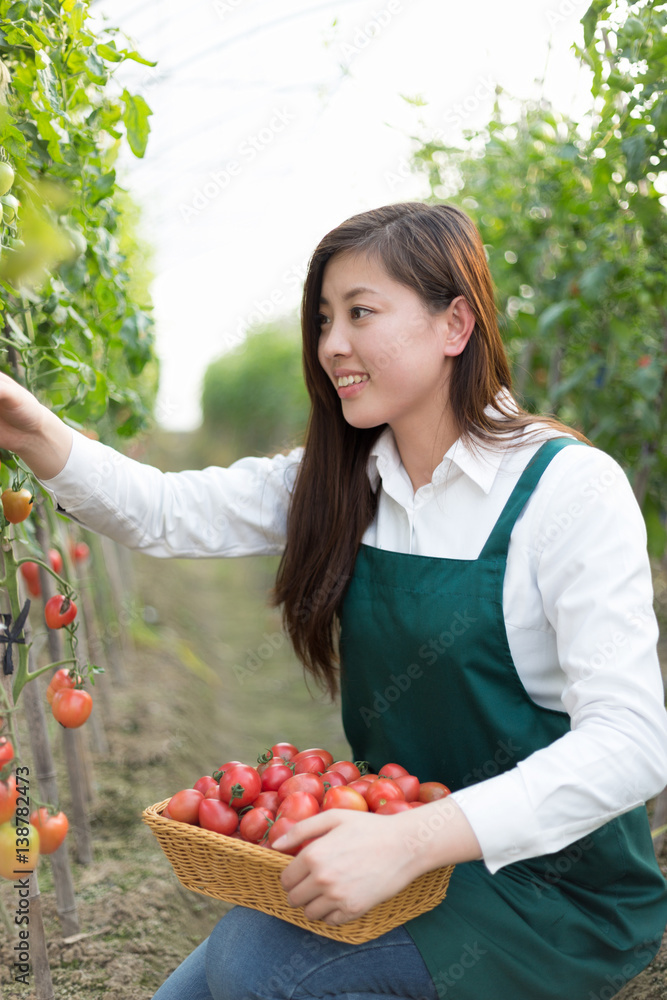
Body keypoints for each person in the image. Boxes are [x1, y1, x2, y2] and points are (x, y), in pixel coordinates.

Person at [1, 201, 666, 1000]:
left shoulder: (564, 491)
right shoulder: (342, 480)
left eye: (360, 313)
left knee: (253, 965)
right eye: (322, 319)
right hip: (386, 841)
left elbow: (632, 742)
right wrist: (31, 427)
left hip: (549, 887)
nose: (330, 347)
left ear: (455, 324)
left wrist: (414, 840)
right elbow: (166, 511)